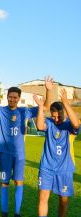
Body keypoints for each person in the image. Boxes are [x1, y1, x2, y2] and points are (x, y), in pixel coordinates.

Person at [0, 71, 53, 217]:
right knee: (4, 183)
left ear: (19, 98)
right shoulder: (0, 111)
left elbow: (45, 107)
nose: (12, 99)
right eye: (10, 97)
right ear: (7, 97)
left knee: (19, 182)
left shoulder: (24, 111)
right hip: (5, 154)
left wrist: (48, 90)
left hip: (19, 154)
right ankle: (4, 212)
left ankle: (17, 212)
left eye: (15, 97)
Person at [34, 89, 79, 217]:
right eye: (54, 116)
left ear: (63, 112)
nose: (56, 119)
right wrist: (41, 107)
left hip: (64, 168)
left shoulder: (68, 125)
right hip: (47, 167)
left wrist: (65, 102)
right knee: (43, 198)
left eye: (59, 116)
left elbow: (76, 124)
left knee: (63, 201)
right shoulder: (49, 122)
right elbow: (40, 126)